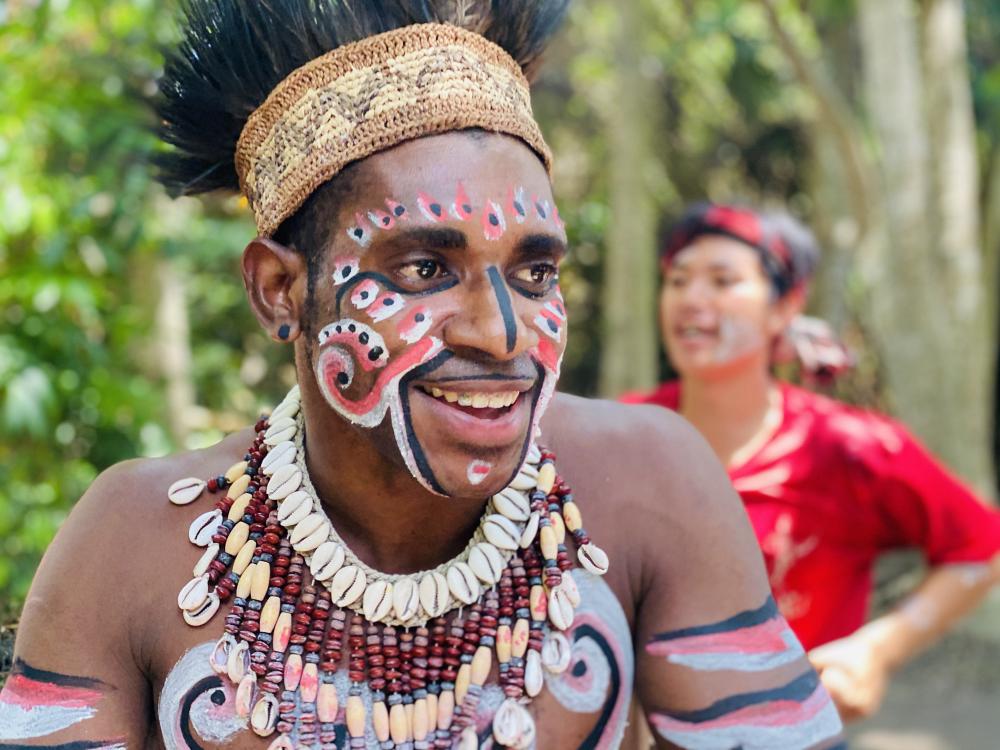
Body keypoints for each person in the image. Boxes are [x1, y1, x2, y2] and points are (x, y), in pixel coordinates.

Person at [0, 6, 846, 749]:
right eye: (423, 270)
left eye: (535, 272)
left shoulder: (651, 486)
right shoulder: (131, 549)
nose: (499, 331)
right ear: (279, 290)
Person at [622, 201, 1000, 723]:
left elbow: (980, 548)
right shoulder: (618, 434)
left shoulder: (849, 447)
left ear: (784, 306)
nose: (691, 299)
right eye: (678, 279)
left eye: (722, 280)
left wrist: (876, 650)